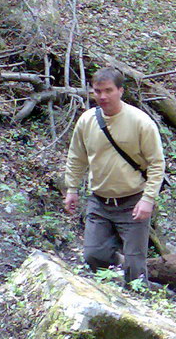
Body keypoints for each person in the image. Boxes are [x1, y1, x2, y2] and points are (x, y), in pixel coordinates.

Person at [63, 67, 165, 284]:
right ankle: (114, 280)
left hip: (133, 200)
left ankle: (140, 305)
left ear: (120, 91)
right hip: (99, 201)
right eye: (97, 91)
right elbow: (76, 157)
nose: (102, 96)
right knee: (92, 255)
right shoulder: (87, 121)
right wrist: (71, 189)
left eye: (108, 90)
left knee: (135, 266)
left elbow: (157, 164)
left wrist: (148, 199)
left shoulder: (140, 122)